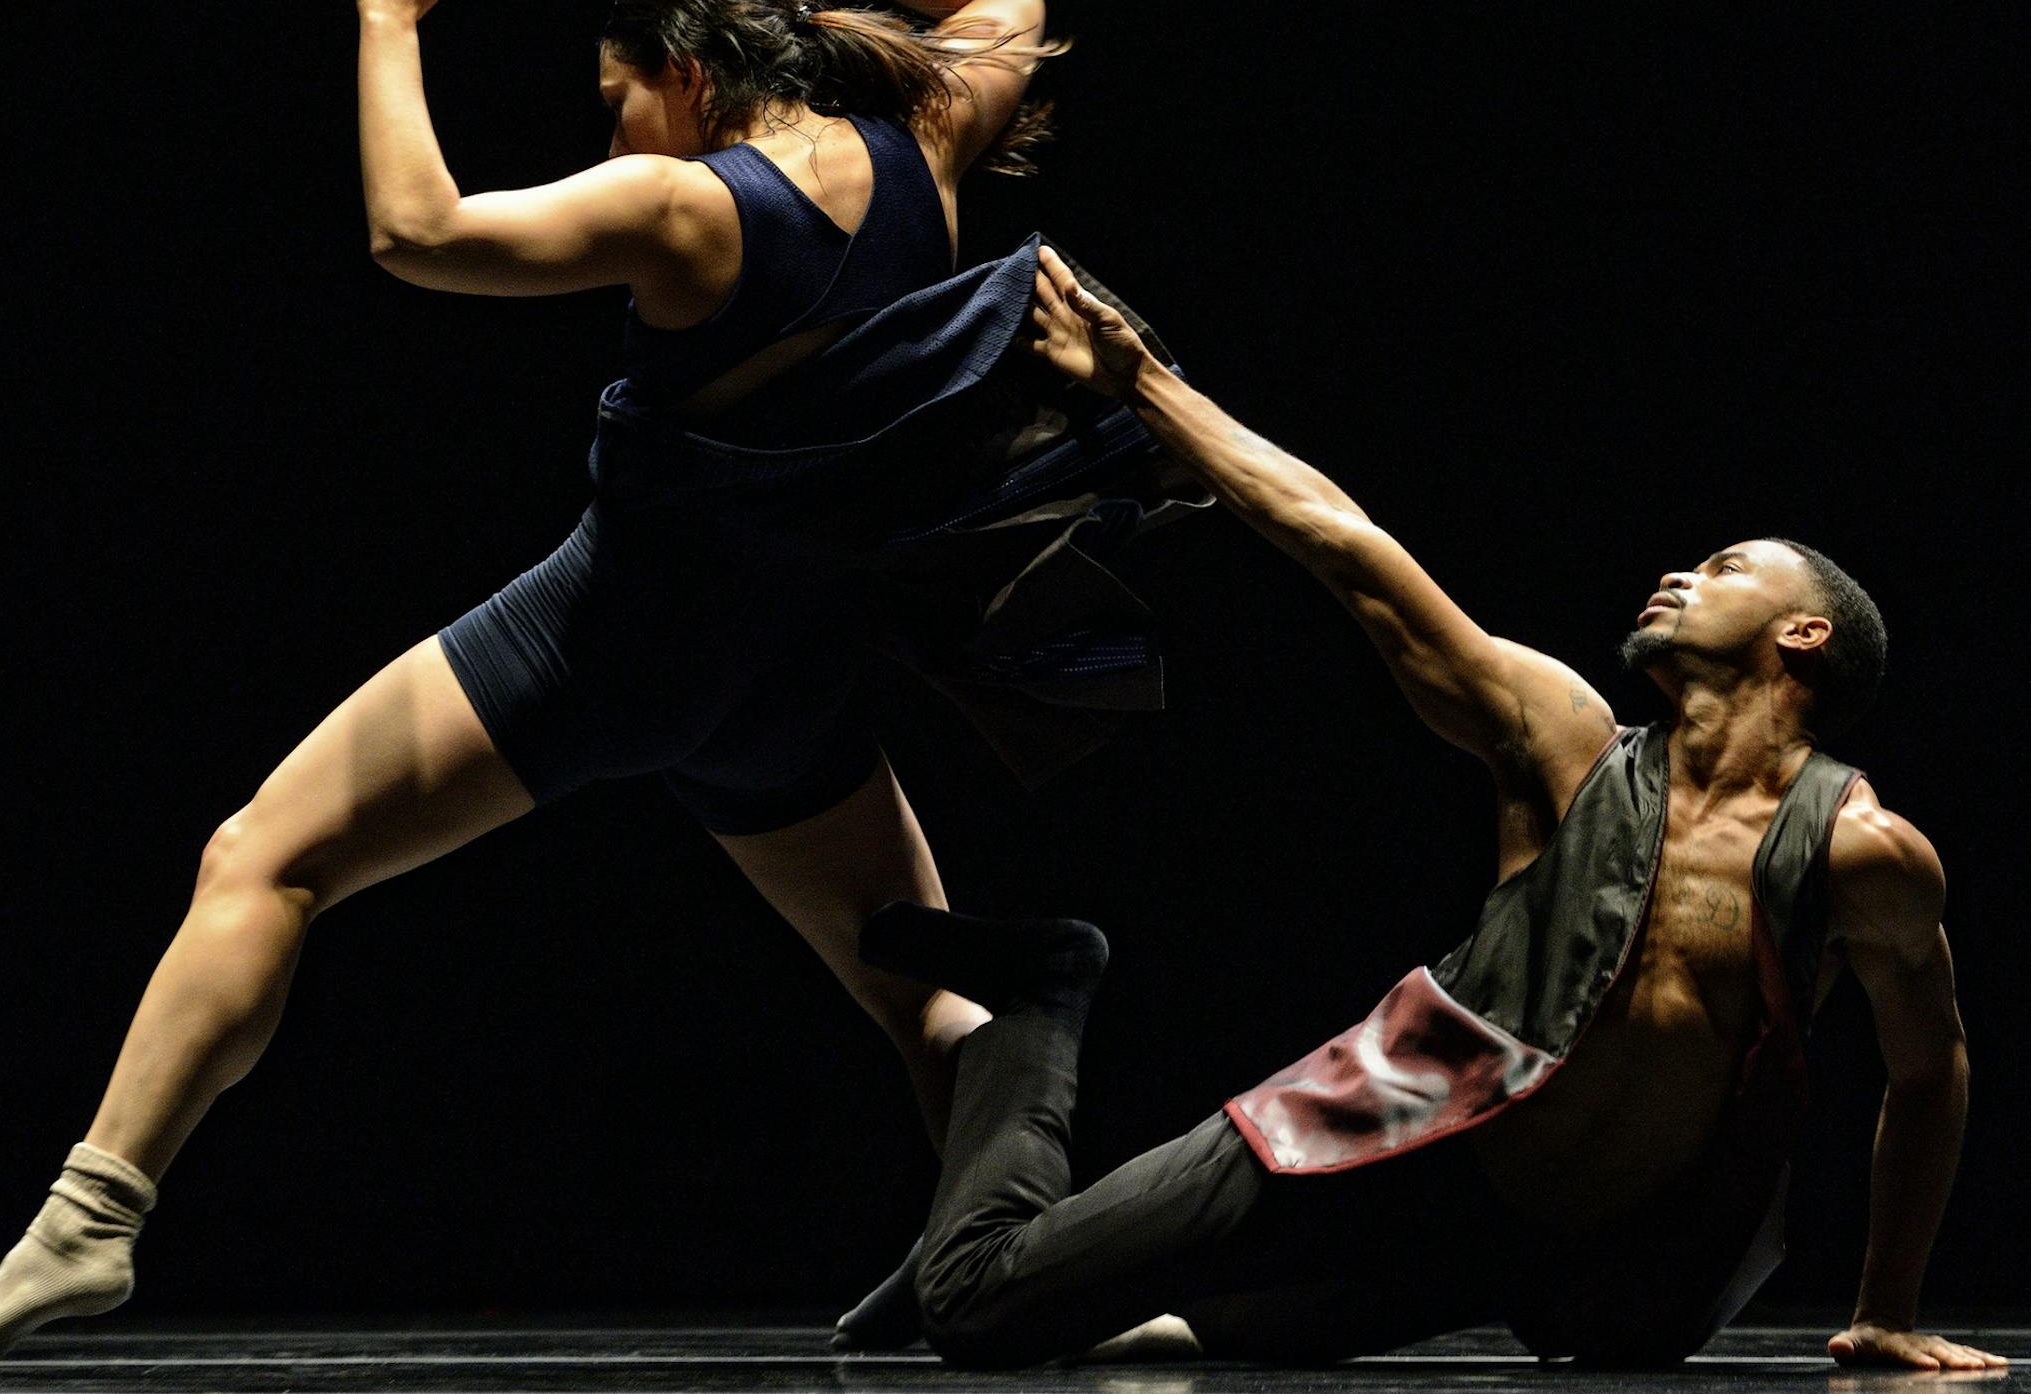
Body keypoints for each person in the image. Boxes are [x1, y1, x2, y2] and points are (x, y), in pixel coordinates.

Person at [0, 0, 1205, 1376]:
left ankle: (91, 1217)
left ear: (689, 77)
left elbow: (418, 232)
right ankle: (1044, 1266)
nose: (615, 132)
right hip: (786, 667)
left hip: (617, 643)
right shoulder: (926, 144)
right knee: (923, 998)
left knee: (263, 858)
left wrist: (386, 13)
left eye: (618, 98)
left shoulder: (687, 207)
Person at [850, 248, 2005, 1372]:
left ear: (1804, 633)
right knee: (978, 1303)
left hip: (1525, 1256)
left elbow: (1930, 1068)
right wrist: (1142, 384)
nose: (1681, 575)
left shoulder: (1866, 854)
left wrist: (1886, 1309)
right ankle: (1043, 997)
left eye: (1726, 567)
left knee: (1147, 1338)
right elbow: (1347, 548)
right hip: (1383, 1125)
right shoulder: (1562, 738)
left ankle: (1132, 1284)